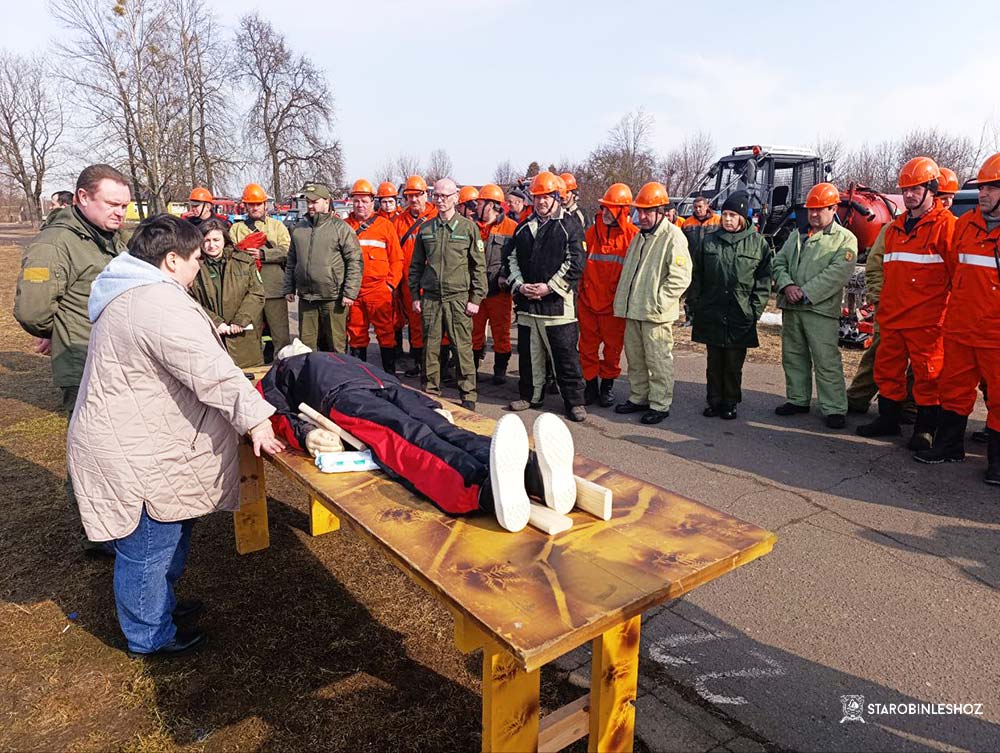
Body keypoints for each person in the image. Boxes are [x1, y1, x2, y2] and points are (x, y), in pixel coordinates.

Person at [67, 214, 283, 657]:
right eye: (194, 259)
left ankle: (159, 607)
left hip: (145, 436)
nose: (199, 267)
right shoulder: (156, 304)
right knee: (149, 546)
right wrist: (257, 419)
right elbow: (211, 371)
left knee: (168, 534)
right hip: (138, 450)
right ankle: (149, 634)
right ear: (170, 260)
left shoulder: (136, 292)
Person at [259, 346, 580, 531]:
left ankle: (533, 472)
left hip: (384, 390)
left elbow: (380, 374)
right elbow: (266, 409)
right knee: (409, 439)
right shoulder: (284, 368)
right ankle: (480, 489)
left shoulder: (328, 355)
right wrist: (306, 434)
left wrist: (431, 405)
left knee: (442, 431)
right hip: (344, 399)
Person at [14, 163, 130, 555]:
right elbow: (32, 311)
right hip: (83, 363)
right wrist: (56, 331)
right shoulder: (56, 243)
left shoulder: (105, 237)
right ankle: (99, 533)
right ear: (82, 197)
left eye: (125, 206)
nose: (120, 213)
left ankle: (116, 524)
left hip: (113, 360)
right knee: (93, 451)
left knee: (119, 448)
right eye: (112, 204)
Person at [857, 158, 955, 449]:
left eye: (916, 189)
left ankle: (925, 430)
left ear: (931, 190)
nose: (909, 194)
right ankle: (888, 420)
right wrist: (880, 301)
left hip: (927, 321)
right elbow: (881, 268)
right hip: (893, 316)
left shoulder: (946, 227)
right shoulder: (896, 228)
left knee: (928, 376)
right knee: (887, 371)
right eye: (906, 189)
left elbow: (958, 276)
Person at [915, 153, 1000, 482]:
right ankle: (949, 447)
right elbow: (950, 271)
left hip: (995, 334)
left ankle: (996, 462)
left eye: (992, 189)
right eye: (983, 188)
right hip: (961, 329)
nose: (984, 194)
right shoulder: (964, 225)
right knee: (952, 389)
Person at [772, 182, 858, 429]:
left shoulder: (845, 240)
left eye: (820, 209)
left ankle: (834, 408)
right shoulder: (796, 235)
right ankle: (798, 399)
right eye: (811, 210)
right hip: (793, 307)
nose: (814, 214)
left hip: (819, 310)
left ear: (834, 209)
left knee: (826, 360)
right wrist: (787, 286)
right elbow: (778, 262)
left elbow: (837, 273)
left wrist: (805, 293)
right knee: (793, 356)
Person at [507, 171, 587, 422]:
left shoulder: (570, 225)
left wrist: (549, 287)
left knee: (565, 357)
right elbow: (510, 260)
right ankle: (531, 395)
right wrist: (519, 286)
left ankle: (574, 401)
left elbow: (575, 263)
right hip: (528, 307)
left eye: (546, 197)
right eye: (537, 197)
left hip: (558, 308)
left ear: (556, 197)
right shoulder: (523, 228)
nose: (541, 202)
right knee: (530, 357)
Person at [612, 182, 692, 425]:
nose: (642, 216)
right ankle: (639, 398)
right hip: (635, 309)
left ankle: (659, 404)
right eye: (641, 211)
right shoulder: (640, 236)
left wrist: (658, 302)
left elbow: (680, 277)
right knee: (636, 359)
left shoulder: (673, 236)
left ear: (661, 211)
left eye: (648, 211)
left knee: (658, 360)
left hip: (655, 314)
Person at [688, 191, 772, 420]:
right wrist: (695, 304)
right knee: (714, 361)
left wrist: (754, 310)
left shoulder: (757, 244)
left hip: (739, 313)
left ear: (742, 218)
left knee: (733, 363)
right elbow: (697, 276)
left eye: (732, 215)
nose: (727, 219)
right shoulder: (709, 241)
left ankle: (730, 402)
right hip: (712, 310)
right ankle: (714, 400)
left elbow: (764, 281)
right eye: (724, 214)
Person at [408, 178, 486, 410]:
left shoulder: (468, 228)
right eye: (437, 196)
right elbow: (416, 266)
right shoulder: (427, 229)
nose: (440, 200)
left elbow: (478, 266)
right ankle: (431, 392)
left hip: (458, 299)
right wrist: (415, 295)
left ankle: (468, 394)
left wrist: (476, 298)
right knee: (430, 348)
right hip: (431, 298)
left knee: (462, 348)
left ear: (455, 197)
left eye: (445, 196)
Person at [282, 182, 362, 353]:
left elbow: (354, 261)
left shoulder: (341, 228)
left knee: (336, 347)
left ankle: (338, 378)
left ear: (327, 202)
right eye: (308, 202)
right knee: (306, 348)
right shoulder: (298, 229)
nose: (311, 206)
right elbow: (291, 261)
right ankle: (310, 379)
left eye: (315, 201)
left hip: (333, 298)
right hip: (306, 299)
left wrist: (349, 292)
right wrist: (289, 287)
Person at [578, 183, 638, 408]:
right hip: (589, 302)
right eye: (603, 208)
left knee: (612, 350)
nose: (604, 212)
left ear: (622, 211)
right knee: (587, 348)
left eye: (609, 209)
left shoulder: (632, 236)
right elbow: (581, 263)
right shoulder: (592, 233)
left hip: (615, 306)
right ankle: (591, 386)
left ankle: (607, 388)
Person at [344, 179, 404, 373]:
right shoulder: (344, 226)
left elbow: (397, 260)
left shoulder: (385, 226)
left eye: (364, 201)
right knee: (356, 333)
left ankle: (389, 374)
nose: (360, 205)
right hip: (354, 291)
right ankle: (360, 375)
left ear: (372, 202)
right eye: (356, 201)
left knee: (386, 333)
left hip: (379, 290)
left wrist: (390, 285)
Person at [190, 218, 265, 369]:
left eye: (216, 239)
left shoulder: (244, 262)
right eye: (206, 240)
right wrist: (215, 322)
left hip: (243, 338)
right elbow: (188, 299)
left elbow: (256, 293)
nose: (211, 245)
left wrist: (241, 320)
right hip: (210, 339)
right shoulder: (192, 266)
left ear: (224, 239)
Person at [229, 183, 292, 360]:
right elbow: (231, 256)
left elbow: (287, 251)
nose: (255, 207)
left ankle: (285, 370)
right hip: (247, 291)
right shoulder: (236, 229)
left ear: (265, 205)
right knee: (252, 336)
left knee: (281, 335)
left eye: (258, 204)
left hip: (273, 289)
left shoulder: (277, 227)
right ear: (246, 206)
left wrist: (263, 254)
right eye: (251, 204)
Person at [471, 183, 517, 384]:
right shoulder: (471, 226)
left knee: (501, 333)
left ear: (491, 205)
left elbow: (516, 256)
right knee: (474, 332)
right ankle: (471, 368)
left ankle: (500, 370)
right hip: (475, 291)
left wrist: (505, 275)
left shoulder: (511, 228)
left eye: (480, 203)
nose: (476, 207)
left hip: (499, 292)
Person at [394, 175, 438, 377]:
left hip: (433, 281)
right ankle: (419, 362)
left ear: (426, 195)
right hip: (409, 282)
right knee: (414, 322)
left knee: (437, 324)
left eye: (417, 195)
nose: (413, 200)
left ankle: (438, 365)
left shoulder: (436, 216)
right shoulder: (399, 222)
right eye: (409, 196)